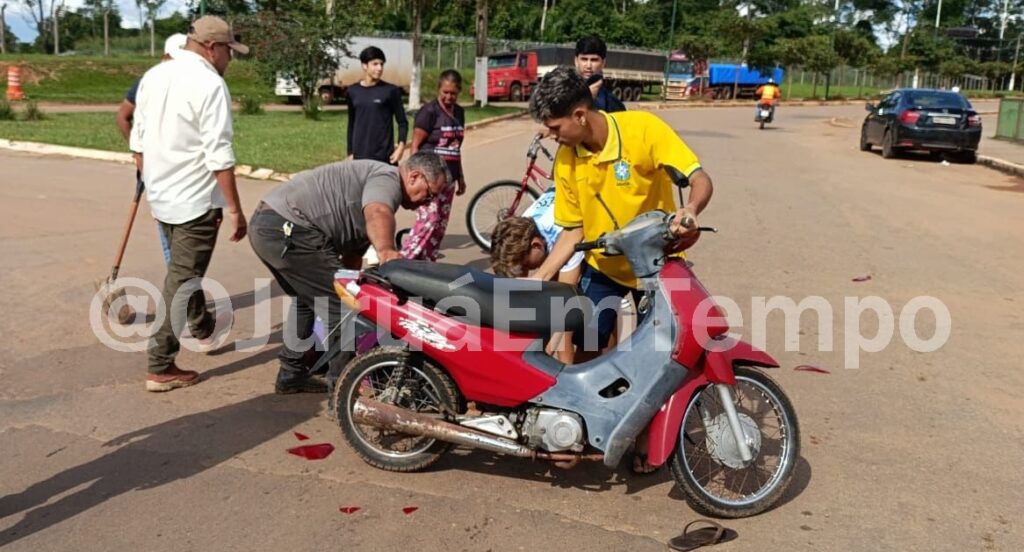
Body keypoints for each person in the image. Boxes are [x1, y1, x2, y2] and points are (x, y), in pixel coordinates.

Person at [527, 66, 714, 471]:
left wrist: (690, 210)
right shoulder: (567, 160)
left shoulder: (643, 129)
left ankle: (648, 439)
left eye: (555, 127)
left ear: (579, 115)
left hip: (658, 267)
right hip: (603, 269)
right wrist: (539, 277)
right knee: (588, 348)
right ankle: (583, 424)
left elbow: (699, 178)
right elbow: (573, 230)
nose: (552, 136)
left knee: (664, 357)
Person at [249, 153, 450, 394]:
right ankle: (343, 390)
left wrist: (352, 285)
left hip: (269, 225)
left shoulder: (373, 188)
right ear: (414, 176)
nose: (428, 202)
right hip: (287, 228)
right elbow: (377, 211)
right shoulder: (387, 178)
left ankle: (291, 374)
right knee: (342, 309)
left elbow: (351, 258)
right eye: (429, 194)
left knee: (308, 300)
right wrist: (386, 251)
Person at [130, 16, 249, 392]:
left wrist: (154, 182)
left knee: (184, 270)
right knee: (182, 279)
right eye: (229, 50)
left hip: (162, 195)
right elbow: (219, 154)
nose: (230, 58)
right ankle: (160, 364)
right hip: (195, 202)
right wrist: (235, 209)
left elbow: (137, 143)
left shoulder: (154, 75)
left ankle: (202, 327)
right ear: (212, 48)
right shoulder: (210, 83)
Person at [490, 188, 586, 363]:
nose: (528, 271)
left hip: (589, 228)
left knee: (577, 327)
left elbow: (564, 313)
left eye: (527, 266)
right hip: (568, 203)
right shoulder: (521, 228)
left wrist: (545, 361)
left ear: (536, 246)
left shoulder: (561, 237)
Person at [116, 32, 187, 266]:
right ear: (165, 57)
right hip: (155, 166)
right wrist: (139, 154)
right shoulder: (148, 81)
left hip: (182, 165)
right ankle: (178, 280)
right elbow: (123, 117)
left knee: (186, 231)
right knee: (168, 228)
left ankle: (181, 280)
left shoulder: (191, 81)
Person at [400, 69, 467, 261]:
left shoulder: (459, 112)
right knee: (429, 219)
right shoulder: (429, 112)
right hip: (429, 179)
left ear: (458, 92)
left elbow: (456, 147)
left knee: (440, 225)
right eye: (445, 92)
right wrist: (414, 175)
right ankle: (405, 259)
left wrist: (460, 176)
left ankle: (428, 262)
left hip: (449, 178)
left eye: (453, 93)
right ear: (439, 89)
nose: (448, 97)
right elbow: (415, 145)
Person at [346, 46, 409, 164]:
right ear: (364, 65)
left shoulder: (391, 91)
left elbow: (402, 122)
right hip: (360, 157)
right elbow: (351, 124)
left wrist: (400, 148)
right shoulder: (352, 91)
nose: (379, 68)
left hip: (384, 157)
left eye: (381, 64)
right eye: (375, 64)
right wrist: (350, 152)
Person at [575, 35, 626, 113]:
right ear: (576, 61)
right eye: (584, 59)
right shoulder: (563, 94)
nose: (588, 66)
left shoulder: (613, 103)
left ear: (603, 63)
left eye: (594, 60)